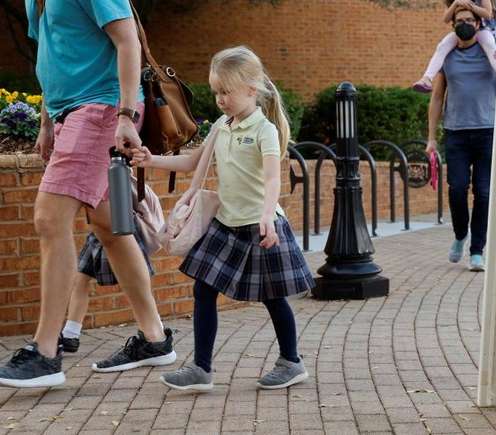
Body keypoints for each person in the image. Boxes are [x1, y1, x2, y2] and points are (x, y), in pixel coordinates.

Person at [0, 0, 174, 389]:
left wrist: (126, 116)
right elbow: (51, 56)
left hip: (101, 108)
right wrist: (46, 121)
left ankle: (46, 353)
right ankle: (155, 338)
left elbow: (127, 39)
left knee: (49, 218)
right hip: (69, 114)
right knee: (108, 226)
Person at [131, 46, 315, 391]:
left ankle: (291, 362)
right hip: (227, 224)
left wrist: (266, 215)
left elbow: (274, 178)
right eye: (216, 91)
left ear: (251, 88)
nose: (219, 99)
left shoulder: (265, 131)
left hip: (261, 225)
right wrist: (150, 161)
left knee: (273, 296)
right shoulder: (221, 126)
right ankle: (201, 369)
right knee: (203, 288)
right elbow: (191, 163)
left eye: (225, 92)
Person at [425, 6, 496, 272]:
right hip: (456, 133)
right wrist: (431, 138)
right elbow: (436, 98)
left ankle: (477, 250)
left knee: (484, 192)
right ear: (453, 25)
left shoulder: (490, 52)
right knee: (456, 189)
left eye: (469, 20)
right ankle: (459, 235)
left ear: (478, 24)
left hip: (488, 131)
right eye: (459, 21)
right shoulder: (447, 56)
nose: (464, 24)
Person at [60, 229, 155, 354]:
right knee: (80, 277)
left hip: (123, 228)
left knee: (137, 282)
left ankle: (155, 331)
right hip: (99, 230)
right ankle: (70, 335)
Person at [413, 0, 496, 93]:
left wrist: (471, 6)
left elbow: (488, 14)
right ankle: (427, 79)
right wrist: (455, 4)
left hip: (483, 30)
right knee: (442, 46)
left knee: (491, 48)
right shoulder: (455, 1)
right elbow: (446, 19)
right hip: (462, 30)